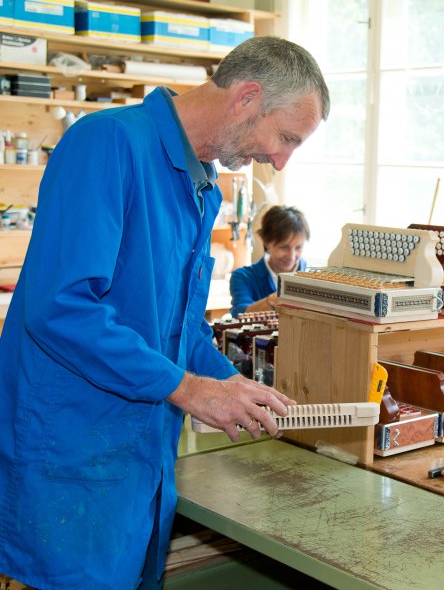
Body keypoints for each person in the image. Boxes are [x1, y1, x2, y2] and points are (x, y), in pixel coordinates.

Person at [0, 36, 329, 589]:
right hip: (69, 459)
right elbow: (61, 309)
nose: (280, 161)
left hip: (140, 458)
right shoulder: (107, 144)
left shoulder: (201, 187)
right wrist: (190, 389)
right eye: (286, 138)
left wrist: (229, 383)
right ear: (247, 97)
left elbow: (178, 325)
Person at [229, 205, 310, 317]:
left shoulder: (312, 276)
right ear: (267, 242)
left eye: (298, 248)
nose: (292, 257)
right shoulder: (243, 277)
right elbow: (240, 315)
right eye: (284, 247)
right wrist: (276, 299)